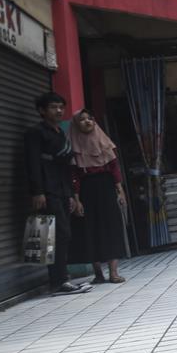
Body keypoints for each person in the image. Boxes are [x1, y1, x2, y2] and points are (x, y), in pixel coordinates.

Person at [24, 92, 85, 295]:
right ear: (42, 110)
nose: (59, 110)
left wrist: (71, 194)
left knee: (63, 234)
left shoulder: (60, 133)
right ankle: (58, 281)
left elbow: (65, 167)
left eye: (61, 107)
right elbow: (32, 163)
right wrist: (37, 192)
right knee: (55, 234)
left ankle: (61, 278)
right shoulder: (35, 132)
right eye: (53, 107)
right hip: (47, 190)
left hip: (61, 189)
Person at [69, 109, 128, 283]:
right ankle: (98, 274)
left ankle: (114, 273)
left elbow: (114, 168)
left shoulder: (103, 141)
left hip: (106, 188)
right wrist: (77, 199)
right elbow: (73, 175)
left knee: (111, 227)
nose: (87, 121)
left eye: (90, 118)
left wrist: (120, 191)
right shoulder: (73, 146)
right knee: (89, 229)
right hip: (86, 190)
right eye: (82, 119)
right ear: (76, 124)